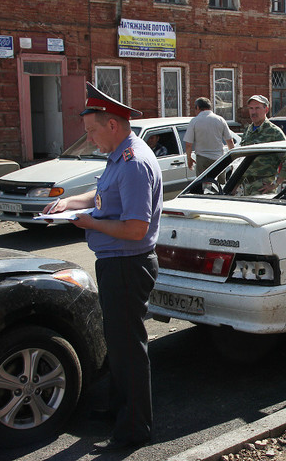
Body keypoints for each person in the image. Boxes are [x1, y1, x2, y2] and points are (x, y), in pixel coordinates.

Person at [45, 82, 162, 453]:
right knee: (118, 343)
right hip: (116, 263)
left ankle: (134, 429)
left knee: (129, 347)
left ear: (112, 124)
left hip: (128, 264)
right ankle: (118, 410)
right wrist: (68, 202)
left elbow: (135, 228)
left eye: (93, 131)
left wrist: (89, 222)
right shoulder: (119, 156)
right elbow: (100, 196)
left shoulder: (133, 163)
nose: (90, 139)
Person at [238, 94, 286, 194]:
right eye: (251, 108)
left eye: (257, 108)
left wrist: (276, 182)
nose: (253, 112)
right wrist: (235, 185)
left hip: (263, 188)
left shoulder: (274, 132)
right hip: (246, 188)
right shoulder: (248, 131)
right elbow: (242, 160)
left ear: (266, 110)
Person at [184, 97, 234, 176]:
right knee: (220, 185)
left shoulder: (195, 121)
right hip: (219, 159)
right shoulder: (220, 120)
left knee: (202, 185)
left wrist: (189, 158)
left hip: (202, 159)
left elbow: (188, 144)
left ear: (197, 107)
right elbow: (230, 141)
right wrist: (233, 159)